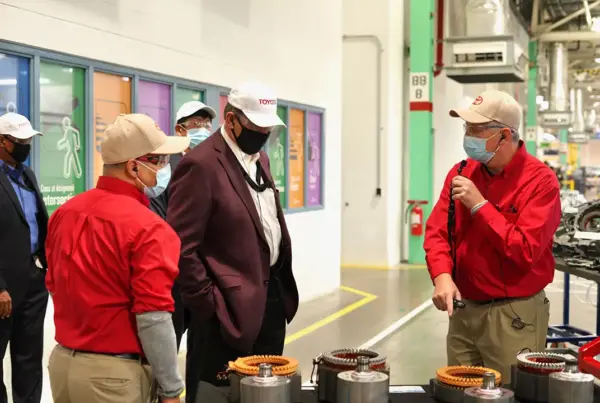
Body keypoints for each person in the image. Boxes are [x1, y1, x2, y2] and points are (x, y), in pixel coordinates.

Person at [167, 81, 299, 403]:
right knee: (217, 395)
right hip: (224, 313)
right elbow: (181, 246)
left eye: (268, 128)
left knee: (264, 394)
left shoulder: (259, 160)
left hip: (270, 302)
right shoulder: (200, 165)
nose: (263, 134)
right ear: (231, 120)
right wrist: (209, 304)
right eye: (256, 126)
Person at [45, 113, 188, 403]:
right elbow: (154, 318)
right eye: (158, 161)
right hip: (113, 378)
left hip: (62, 366)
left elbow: (54, 282)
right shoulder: (150, 228)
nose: (163, 168)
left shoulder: (64, 213)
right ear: (133, 166)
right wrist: (171, 388)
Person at [424, 90, 561, 383]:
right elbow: (438, 232)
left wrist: (480, 206)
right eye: (467, 129)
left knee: (511, 391)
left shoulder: (540, 182)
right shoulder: (461, 173)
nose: (468, 136)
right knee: (460, 390)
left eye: (477, 129)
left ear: (504, 135)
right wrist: (442, 275)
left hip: (513, 315)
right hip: (463, 311)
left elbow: (525, 250)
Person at [149, 101, 216, 351]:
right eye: (197, 124)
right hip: (174, 272)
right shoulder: (166, 169)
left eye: (207, 124)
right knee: (170, 340)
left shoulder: (213, 165)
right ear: (180, 130)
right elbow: (159, 217)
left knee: (202, 344)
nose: (204, 129)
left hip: (203, 273)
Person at [0, 113, 48, 403]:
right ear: (2, 142)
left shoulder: (27, 176)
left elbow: (37, 224)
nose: (26, 146)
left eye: (29, 141)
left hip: (33, 280)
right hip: (3, 288)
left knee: (29, 359)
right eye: (20, 142)